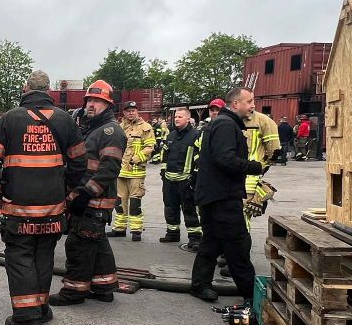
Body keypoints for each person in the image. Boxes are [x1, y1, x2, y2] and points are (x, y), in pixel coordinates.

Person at [0, 70, 86, 325]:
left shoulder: (10, 119)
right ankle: (41, 308)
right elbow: (79, 162)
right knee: (44, 255)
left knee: (20, 255)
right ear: (48, 91)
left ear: (25, 88)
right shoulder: (65, 120)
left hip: (18, 206)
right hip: (53, 207)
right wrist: (66, 193)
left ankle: (27, 316)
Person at [50, 80, 125, 307]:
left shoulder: (111, 131)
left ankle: (73, 291)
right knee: (96, 242)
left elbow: (109, 168)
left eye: (98, 101)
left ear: (108, 105)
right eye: (89, 100)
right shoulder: (93, 129)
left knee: (79, 244)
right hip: (89, 198)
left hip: (93, 200)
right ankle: (103, 287)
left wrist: (85, 194)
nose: (91, 105)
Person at [190, 86, 264, 305]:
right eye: (249, 101)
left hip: (213, 195)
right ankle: (252, 296)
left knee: (211, 243)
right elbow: (225, 159)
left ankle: (200, 285)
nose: (253, 106)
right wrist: (253, 167)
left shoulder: (224, 123)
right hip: (222, 197)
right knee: (237, 245)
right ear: (235, 104)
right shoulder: (226, 125)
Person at [109, 100, 156, 241]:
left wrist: (136, 158)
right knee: (119, 203)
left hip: (136, 172)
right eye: (128, 110)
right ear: (124, 112)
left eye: (133, 110)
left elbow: (150, 148)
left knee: (135, 203)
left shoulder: (146, 127)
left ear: (137, 111)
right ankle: (119, 229)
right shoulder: (120, 127)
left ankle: (136, 231)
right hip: (121, 171)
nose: (131, 113)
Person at [159, 107, 201, 248]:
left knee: (189, 209)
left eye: (180, 117)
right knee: (170, 207)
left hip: (186, 180)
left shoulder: (196, 135)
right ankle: (172, 234)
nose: (176, 119)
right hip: (169, 180)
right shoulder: (171, 136)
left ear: (188, 119)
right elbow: (164, 155)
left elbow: (199, 159)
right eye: (176, 116)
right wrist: (163, 173)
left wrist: (194, 177)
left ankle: (195, 238)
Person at [243, 108, 280, 198]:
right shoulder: (229, 122)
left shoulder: (264, 121)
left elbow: (274, 151)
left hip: (250, 181)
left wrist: (261, 167)